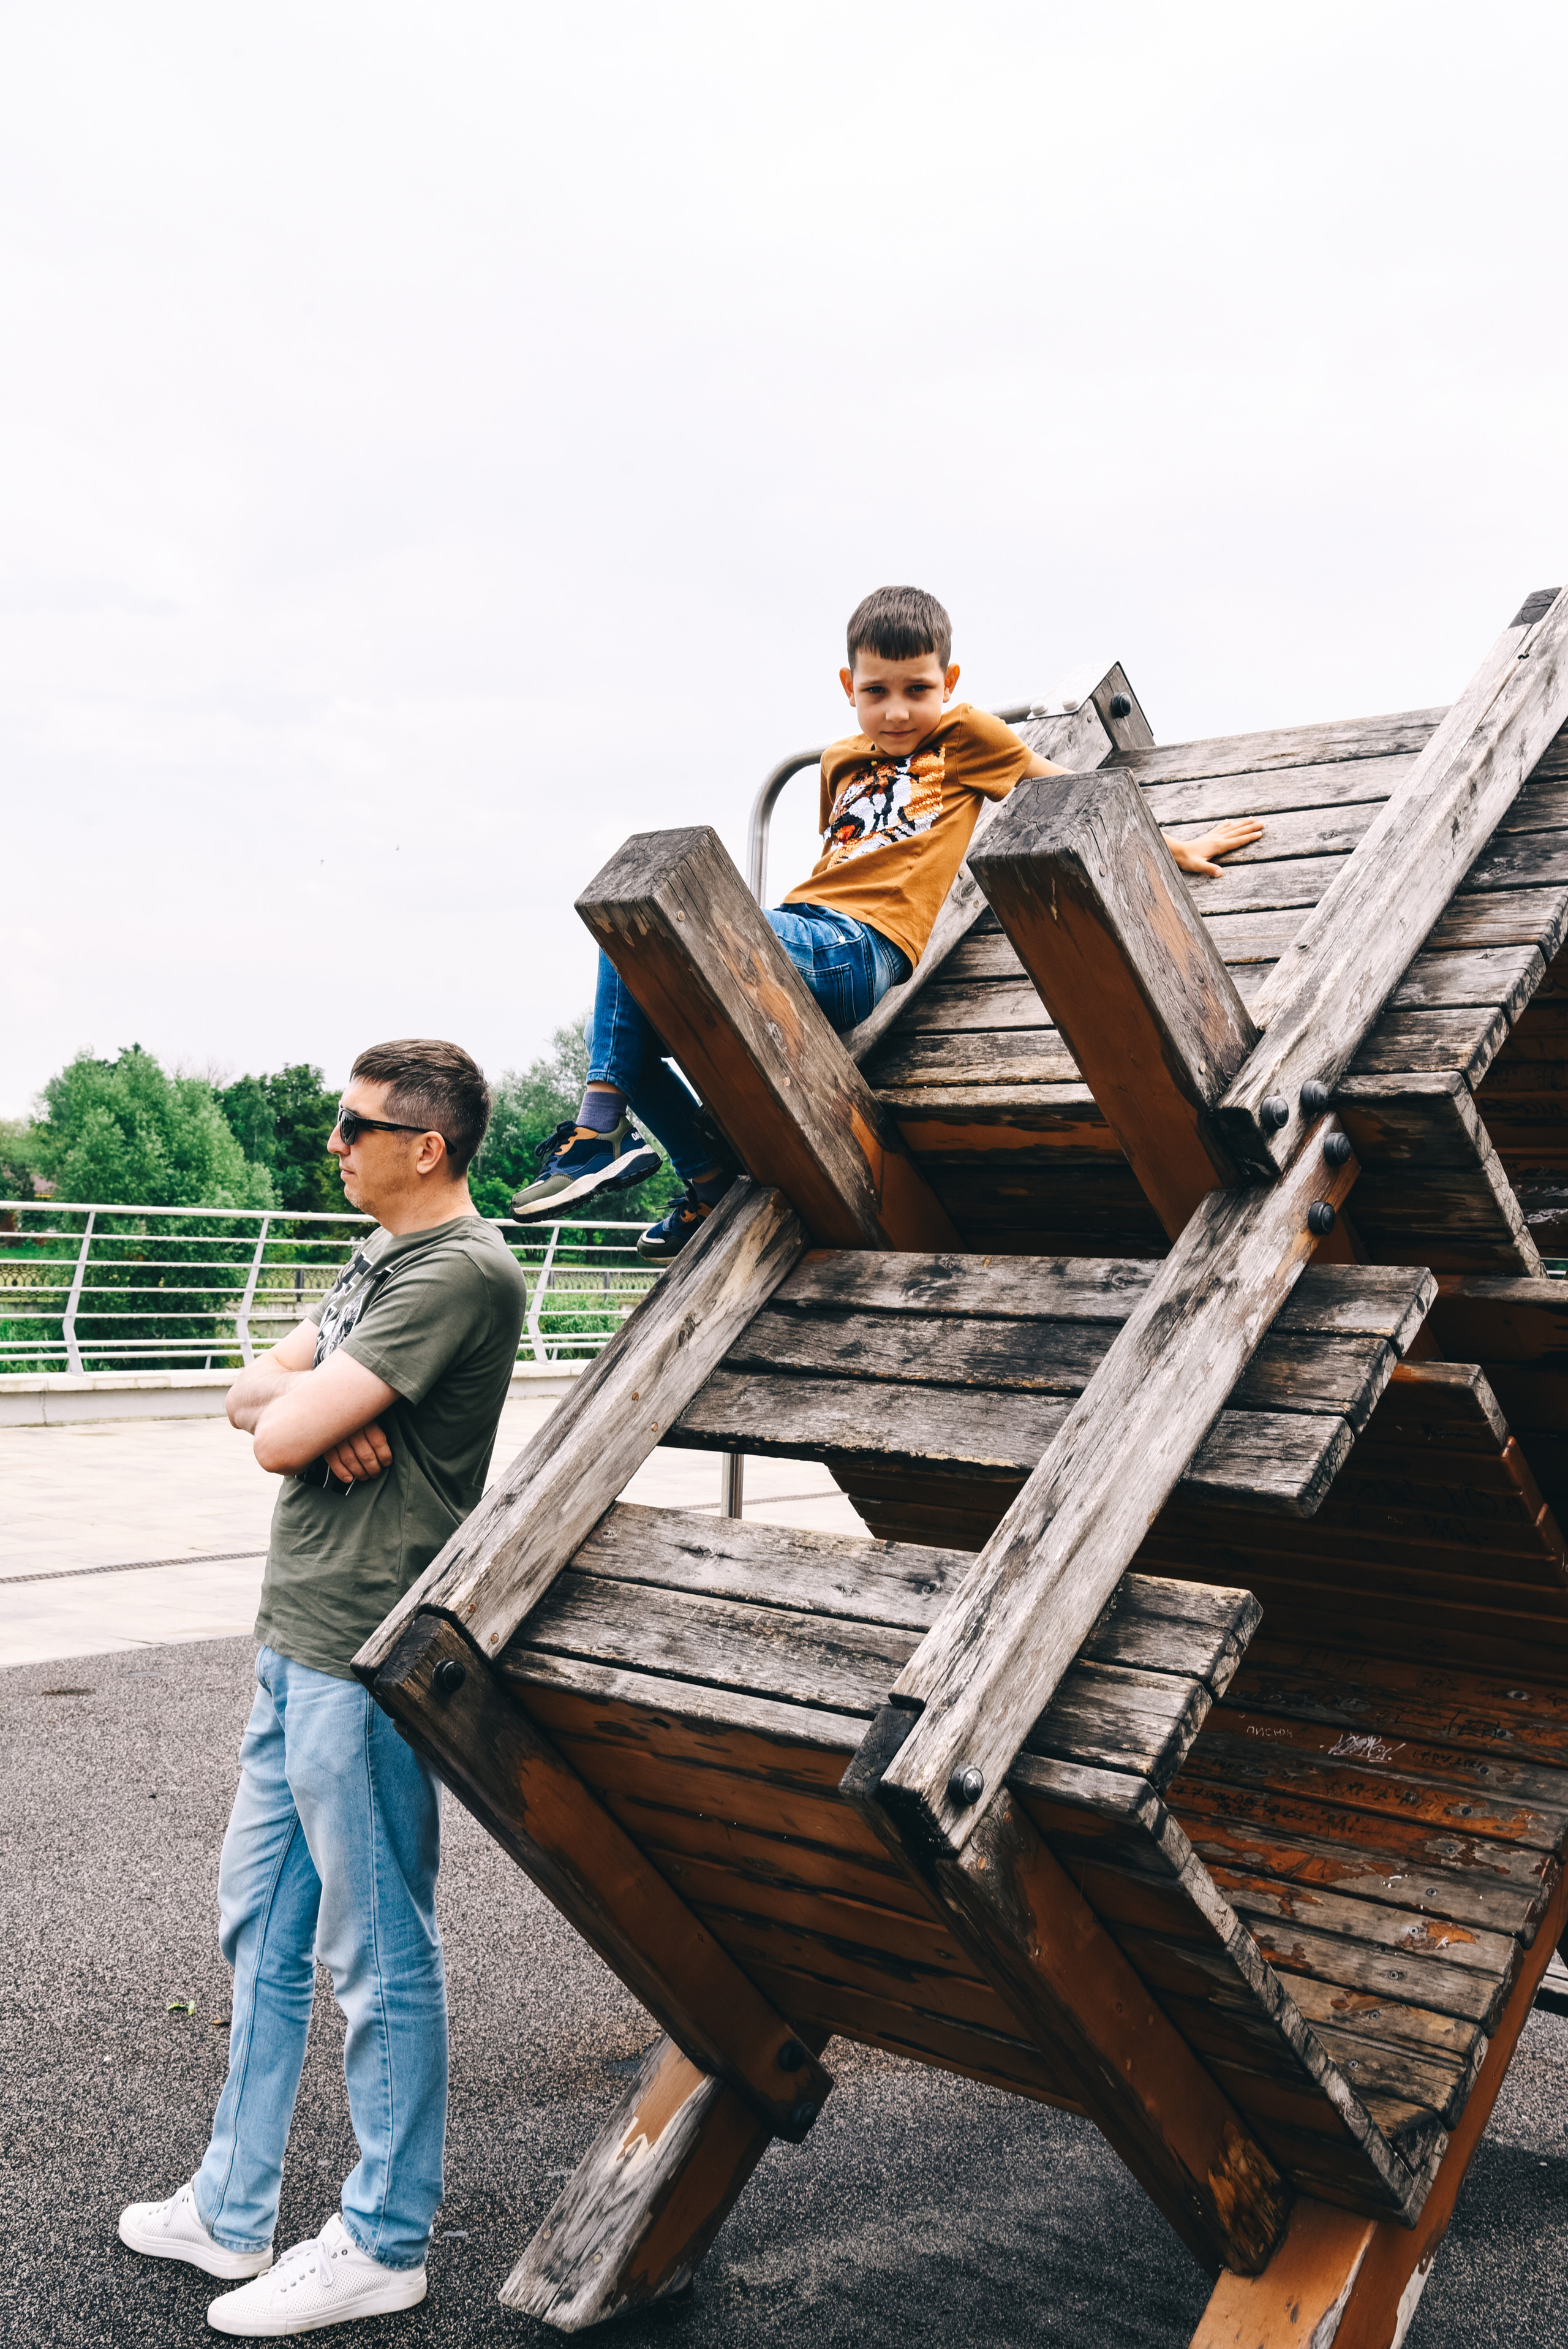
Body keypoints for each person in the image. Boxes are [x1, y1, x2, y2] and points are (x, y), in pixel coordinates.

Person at [117, 1038, 526, 2338]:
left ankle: (386, 2239)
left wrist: (303, 1411)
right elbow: (249, 1393)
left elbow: (275, 1430)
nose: (334, 1143)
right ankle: (232, 2207)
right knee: (262, 1928)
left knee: (377, 1948)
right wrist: (308, 1401)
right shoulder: (378, 1259)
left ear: (427, 1146)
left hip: (368, 1651)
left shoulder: (459, 1269)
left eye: (357, 1126)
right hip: (297, 1638)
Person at [510, 584, 1262, 1260]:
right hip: (807, 926)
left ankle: (597, 1127)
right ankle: (704, 1183)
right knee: (630, 1005)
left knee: (650, 932)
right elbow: (844, 857)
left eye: (917, 690)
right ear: (849, 688)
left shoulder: (966, 735)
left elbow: (1065, 789)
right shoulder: (839, 760)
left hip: (859, 949)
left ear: (949, 682)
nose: (898, 710)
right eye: (877, 692)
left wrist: (1175, 849)